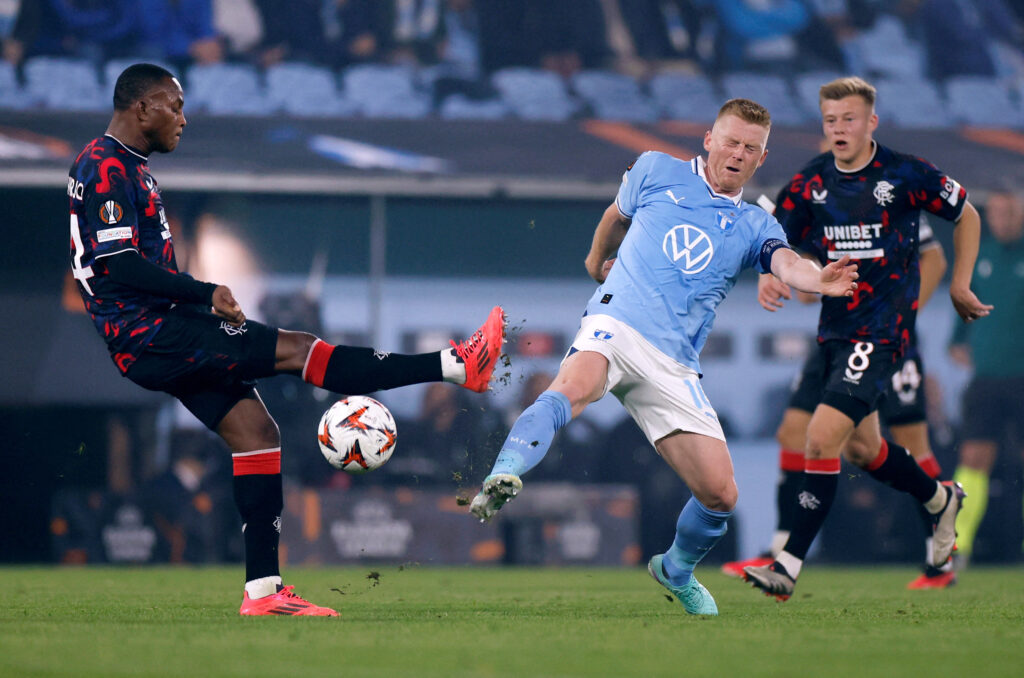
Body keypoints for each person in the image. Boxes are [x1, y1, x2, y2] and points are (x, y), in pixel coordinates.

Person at [67, 63, 506, 616]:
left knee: (256, 433)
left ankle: (263, 593)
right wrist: (203, 291)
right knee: (299, 349)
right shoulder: (106, 165)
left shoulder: (128, 166)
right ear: (141, 108)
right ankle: (457, 365)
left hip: (156, 333)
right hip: (151, 331)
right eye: (173, 105)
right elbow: (118, 262)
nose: (183, 117)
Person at [467, 98, 860, 615]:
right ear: (708, 140)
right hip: (618, 322)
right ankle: (504, 473)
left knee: (721, 495)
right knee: (571, 387)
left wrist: (820, 278)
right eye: (731, 142)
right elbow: (616, 215)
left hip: (674, 363)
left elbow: (787, 264)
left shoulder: (754, 225)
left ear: (761, 159)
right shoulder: (654, 168)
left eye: (750, 148)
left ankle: (675, 568)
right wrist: (593, 262)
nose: (738, 154)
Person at [740, 76, 991, 602]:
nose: (839, 129)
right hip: (835, 333)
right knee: (863, 448)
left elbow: (965, 213)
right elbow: (776, 240)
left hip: (883, 333)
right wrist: (773, 273)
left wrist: (961, 284)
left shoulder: (904, 174)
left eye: (848, 119)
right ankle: (939, 499)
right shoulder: (811, 183)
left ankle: (786, 564)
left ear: (870, 122)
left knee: (819, 436)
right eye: (830, 120)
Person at [722, 215, 957, 588]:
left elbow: (937, 258)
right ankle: (781, 548)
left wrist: (904, 317)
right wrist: (784, 273)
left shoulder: (893, 187)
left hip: (886, 338)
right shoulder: (817, 195)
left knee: (898, 442)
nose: (832, 152)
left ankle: (938, 560)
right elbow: (800, 275)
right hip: (835, 338)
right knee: (843, 444)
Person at [949, 190, 1024, 564]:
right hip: (987, 379)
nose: (1002, 220)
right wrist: (957, 339)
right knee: (973, 458)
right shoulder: (981, 257)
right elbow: (964, 303)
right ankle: (956, 547)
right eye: (995, 213)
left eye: (1009, 212)